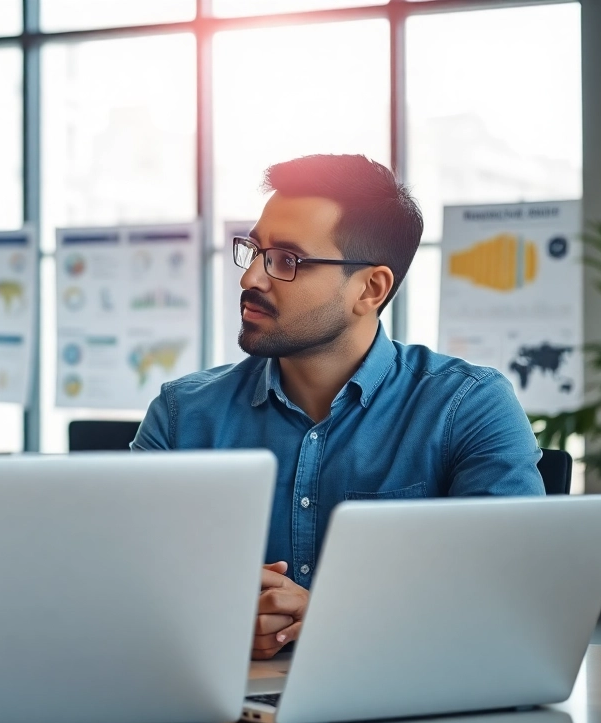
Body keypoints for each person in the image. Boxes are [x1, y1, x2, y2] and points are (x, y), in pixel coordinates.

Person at [133, 154, 544, 660]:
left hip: (411, 713)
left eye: (286, 260)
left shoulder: (467, 406)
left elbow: (510, 599)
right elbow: (123, 588)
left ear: (370, 289)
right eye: (254, 251)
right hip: (223, 709)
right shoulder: (181, 415)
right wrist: (216, 614)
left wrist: (338, 616)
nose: (250, 280)